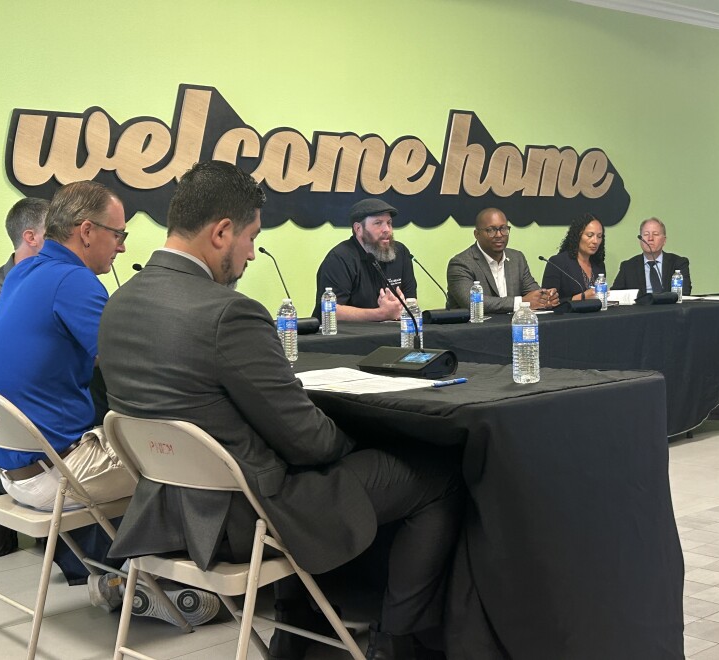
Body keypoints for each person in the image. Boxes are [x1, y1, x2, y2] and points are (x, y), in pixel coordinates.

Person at [98, 161, 462, 660]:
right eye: (251, 237)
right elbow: (310, 442)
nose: (251, 253)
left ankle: (297, 625)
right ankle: (396, 641)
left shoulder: (118, 302)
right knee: (438, 473)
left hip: (166, 511)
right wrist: (364, 439)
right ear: (222, 232)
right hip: (247, 518)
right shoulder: (229, 312)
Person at [0, 181, 134, 512]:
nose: (121, 248)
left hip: (10, 476)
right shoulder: (74, 280)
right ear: (87, 231)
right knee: (186, 459)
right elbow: (130, 365)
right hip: (60, 475)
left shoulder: (23, 272)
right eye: (119, 235)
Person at [312, 198, 417, 321]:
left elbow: (411, 301)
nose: (387, 229)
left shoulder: (400, 252)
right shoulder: (339, 258)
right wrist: (381, 313)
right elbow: (330, 311)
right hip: (349, 337)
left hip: (393, 334)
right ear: (358, 229)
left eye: (389, 223)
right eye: (378, 223)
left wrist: (400, 307)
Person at [446, 208, 558, 312]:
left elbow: (532, 292)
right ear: (477, 234)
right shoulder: (461, 263)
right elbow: (471, 302)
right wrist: (521, 302)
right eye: (491, 230)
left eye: (504, 229)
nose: (499, 235)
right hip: (474, 330)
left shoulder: (517, 258)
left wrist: (546, 297)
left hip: (512, 326)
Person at [0, 197, 48, 340]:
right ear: (31, 237)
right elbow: (4, 349)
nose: (64, 240)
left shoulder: (61, 282)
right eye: (53, 232)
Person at [613, 217, 692, 296]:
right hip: (640, 307)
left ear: (664, 240)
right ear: (640, 240)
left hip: (670, 307)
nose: (650, 238)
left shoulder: (678, 263)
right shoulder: (628, 266)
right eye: (646, 234)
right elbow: (615, 295)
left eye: (655, 234)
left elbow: (685, 292)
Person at [541, 214, 607, 302]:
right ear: (577, 236)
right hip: (567, 315)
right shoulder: (557, 263)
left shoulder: (598, 264)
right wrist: (581, 297)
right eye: (590, 235)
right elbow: (548, 301)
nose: (595, 241)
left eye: (599, 236)